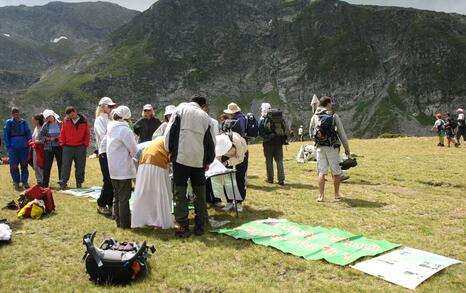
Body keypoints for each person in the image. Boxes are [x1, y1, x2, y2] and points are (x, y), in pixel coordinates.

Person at [165, 96, 216, 237]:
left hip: (181, 158)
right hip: (198, 160)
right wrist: (208, 160)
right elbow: (211, 141)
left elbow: (170, 131)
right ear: (203, 105)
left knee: (180, 192)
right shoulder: (206, 117)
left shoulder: (180, 110)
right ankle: (200, 224)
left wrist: (169, 150)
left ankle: (183, 225)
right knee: (199, 192)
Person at [309, 96, 350, 202]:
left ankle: (321, 196)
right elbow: (341, 133)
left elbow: (310, 133)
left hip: (320, 148)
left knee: (322, 172)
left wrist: (317, 142)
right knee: (336, 172)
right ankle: (336, 194)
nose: (332, 105)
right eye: (331, 103)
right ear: (327, 104)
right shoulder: (333, 116)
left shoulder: (315, 117)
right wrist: (346, 148)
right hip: (333, 147)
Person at [131, 137, 174, 229]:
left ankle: (145, 218)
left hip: (143, 163)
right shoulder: (171, 140)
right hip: (157, 163)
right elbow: (173, 157)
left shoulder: (160, 139)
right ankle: (159, 221)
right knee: (161, 193)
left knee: (147, 193)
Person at [106, 106, 138, 229]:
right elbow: (134, 150)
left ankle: (118, 220)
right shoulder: (125, 130)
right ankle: (125, 223)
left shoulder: (111, 128)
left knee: (117, 196)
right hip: (123, 167)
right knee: (125, 197)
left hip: (113, 167)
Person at [94, 97, 116, 216]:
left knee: (113, 179)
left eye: (112, 106)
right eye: (109, 106)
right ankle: (101, 203)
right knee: (108, 180)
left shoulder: (110, 120)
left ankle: (110, 203)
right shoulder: (99, 121)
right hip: (105, 153)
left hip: (113, 152)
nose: (111, 108)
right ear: (103, 107)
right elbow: (103, 137)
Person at [59, 106, 90, 190]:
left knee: (80, 166)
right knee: (65, 166)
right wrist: (62, 144)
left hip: (80, 147)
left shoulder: (84, 120)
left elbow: (87, 133)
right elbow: (62, 133)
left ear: (75, 112)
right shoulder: (65, 121)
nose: (71, 116)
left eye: (72, 114)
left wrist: (85, 144)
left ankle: (79, 183)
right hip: (67, 147)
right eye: (69, 115)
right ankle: (63, 183)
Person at [217, 132, 248, 212]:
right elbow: (217, 156)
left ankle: (239, 202)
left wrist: (227, 162)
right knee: (226, 177)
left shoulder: (236, 141)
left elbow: (240, 158)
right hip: (226, 156)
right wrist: (219, 164)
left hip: (241, 154)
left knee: (239, 177)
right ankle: (229, 201)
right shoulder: (217, 141)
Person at [3, 107, 32, 190]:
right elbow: (6, 135)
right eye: (14, 114)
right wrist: (8, 146)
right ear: (12, 114)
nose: (16, 115)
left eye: (17, 113)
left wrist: (29, 142)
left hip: (24, 146)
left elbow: (28, 132)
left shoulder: (24, 122)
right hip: (13, 147)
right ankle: (16, 182)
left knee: (24, 164)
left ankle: (24, 181)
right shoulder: (9, 123)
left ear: (19, 113)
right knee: (14, 165)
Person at [258, 102, 286, 185]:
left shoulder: (263, 119)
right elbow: (284, 128)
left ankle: (270, 179)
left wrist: (267, 137)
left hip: (268, 143)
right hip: (279, 142)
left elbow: (260, 131)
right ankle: (281, 179)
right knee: (279, 161)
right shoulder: (278, 117)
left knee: (269, 161)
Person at [39, 109, 62, 188]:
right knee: (47, 166)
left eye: (50, 116)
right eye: (47, 117)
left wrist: (60, 138)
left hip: (60, 147)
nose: (49, 118)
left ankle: (62, 183)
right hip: (48, 148)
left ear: (53, 115)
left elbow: (65, 133)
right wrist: (49, 139)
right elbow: (40, 136)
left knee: (61, 165)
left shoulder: (61, 124)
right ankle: (45, 185)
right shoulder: (45, 125)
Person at [30, 114, 45, 186]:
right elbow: (34, 137)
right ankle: (39, 180)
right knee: (35, 165)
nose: (32, 121)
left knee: (40, 165)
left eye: (33, 120)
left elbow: (43, 140)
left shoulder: (42, 128)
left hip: (41, 149)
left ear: (37, 121)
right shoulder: (36, 128)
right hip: (35, 149)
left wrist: (35, 142)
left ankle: (43, 180)